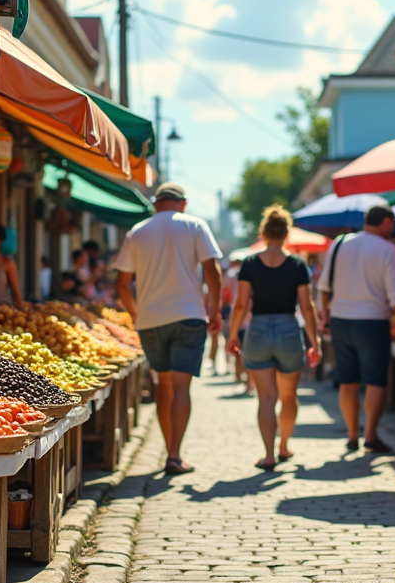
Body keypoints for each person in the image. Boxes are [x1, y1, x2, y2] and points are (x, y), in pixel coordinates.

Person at [115, 182, 223, 475]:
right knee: (181, 387)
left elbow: (123, 284)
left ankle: (168, 452)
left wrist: (138, 314)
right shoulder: (195, 225)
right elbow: (212, 270)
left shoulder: (137, 231)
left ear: (156, 204)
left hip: (151, 320)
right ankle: (175, 455)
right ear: (183, 203)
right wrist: (214, 310)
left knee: (163, 386)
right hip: (189, 316)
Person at [227, 206, 322, 470]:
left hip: (257, 330)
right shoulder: (297, 264)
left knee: (266, 398)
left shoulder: (249, 263)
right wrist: (315, 342)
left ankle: (268, 455)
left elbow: (241, 304)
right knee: (289, 396)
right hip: (288, 329)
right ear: (286, 233)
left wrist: (233, 334)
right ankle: (284, 447)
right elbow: (307, 307)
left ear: (264, 232)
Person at [318, 205, 395, 452]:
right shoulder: (389, 250)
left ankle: (352, 434)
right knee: (375, 381)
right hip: (373, 321)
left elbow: (324, 285)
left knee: (347, 381)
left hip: (340, 320)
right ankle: (370, 436)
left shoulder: (340, 243)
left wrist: (324, 315)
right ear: (386, 222)